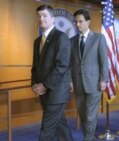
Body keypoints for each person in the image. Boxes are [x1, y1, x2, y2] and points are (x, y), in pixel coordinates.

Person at [31, 5, 73, 141]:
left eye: (44, 15)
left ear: (53, 19)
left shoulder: (61, 37)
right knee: (61, 127)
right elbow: (35, 66)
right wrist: (35, 85)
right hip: (43, 92)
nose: (41, 18)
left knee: (46, 131)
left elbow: (61, 66)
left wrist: (45, 85)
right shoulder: (37, 41)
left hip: (57, 92)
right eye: (39, 16)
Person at [70, 9, 109, 141]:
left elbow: (104, 61)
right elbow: (71, 63)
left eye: (80, 21)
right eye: (75, 22)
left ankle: (88, 138)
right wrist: (70, 81)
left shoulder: (99, 38)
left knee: (90, 114)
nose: (77, 24)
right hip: (78, 82)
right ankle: (90, 137)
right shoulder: (72, 40)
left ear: (88, 22)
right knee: (82, 113)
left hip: (94, 82)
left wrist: (104, 80)